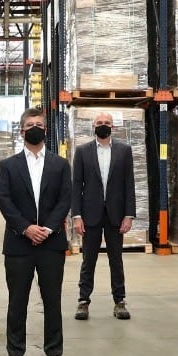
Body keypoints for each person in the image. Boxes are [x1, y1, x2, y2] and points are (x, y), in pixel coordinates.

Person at [0, 107, 71, 356]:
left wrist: (48, 229)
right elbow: (5, 202)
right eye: (30, 125)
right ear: (21, 131)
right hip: (19, 245)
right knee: (17, 301)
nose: (35, 128)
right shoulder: (8, 166)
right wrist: (27, 228)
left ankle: (55, 352)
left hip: (51, 244)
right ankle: (15, 352)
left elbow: (65, 199)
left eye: (39, 124)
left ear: (46, 130)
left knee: (53, 300)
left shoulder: (60, 165)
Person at [71, 112, 136, 321]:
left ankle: (120, 301)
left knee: (116, 259)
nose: (103, 125)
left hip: (115, 215)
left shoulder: (124, 151)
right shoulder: (82, 152)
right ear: (93, 126)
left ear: (113, 127)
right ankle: (83, 301)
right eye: (99, 123)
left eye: (107, 123)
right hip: (90, 215)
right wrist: (77, 216)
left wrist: (129, 215)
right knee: (88, 259)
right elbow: (76, 186)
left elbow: (129, 185)